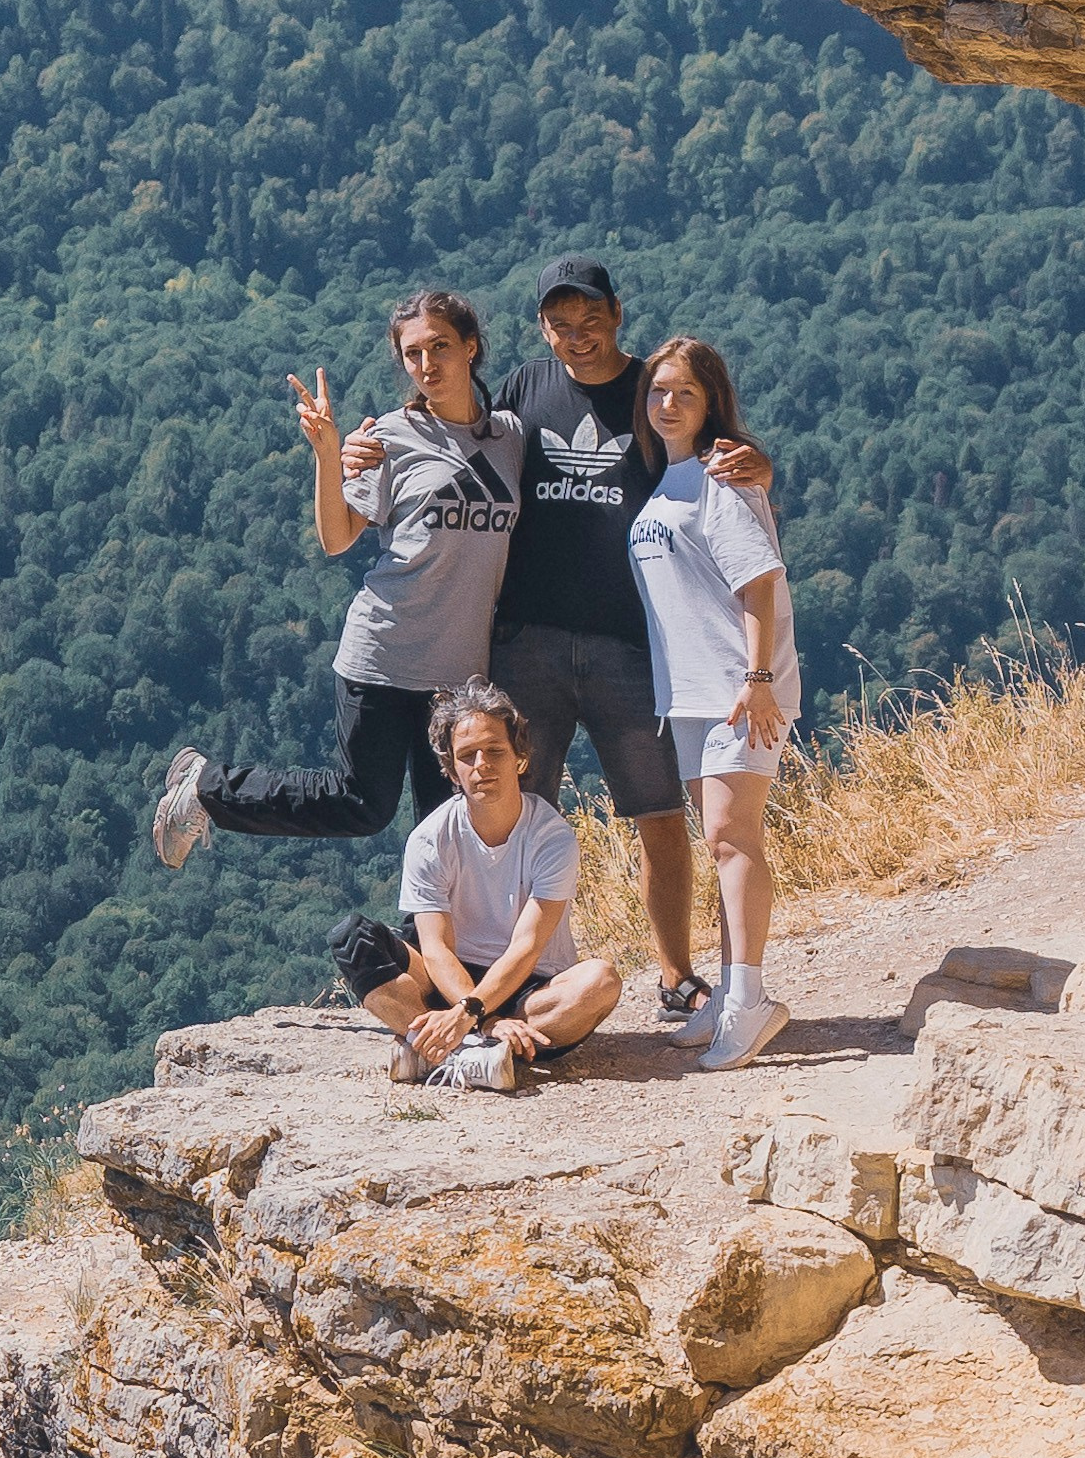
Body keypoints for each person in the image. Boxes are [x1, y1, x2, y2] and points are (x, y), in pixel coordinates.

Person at [353, 253, 768, 1029]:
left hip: (631, 645)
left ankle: (676, 976)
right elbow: (448, 423)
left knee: (654, 814)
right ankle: (489, 985)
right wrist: (362, 451)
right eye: (558, 324)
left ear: (617, 313)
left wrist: (758, 465)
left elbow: (714, 451)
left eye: (590, 321)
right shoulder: (522, 388)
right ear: (540, 326)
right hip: (526, 644)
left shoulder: (654, 389)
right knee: (505, 810)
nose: (575, 338)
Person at [150, 290, 523, 863]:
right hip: (382, 652)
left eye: (441, 347)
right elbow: (337, 537)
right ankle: (206, 788)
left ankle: (427, 949)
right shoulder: (390, 438)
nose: (427, 366)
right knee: (361, 804)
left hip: (457, 672)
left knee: (451, 824)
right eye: (413, 353)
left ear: (471, 348)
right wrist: (328, 452)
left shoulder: (510, 439)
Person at [626, 335, 799, 1073]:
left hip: (741, 690)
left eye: (685, 394)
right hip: (693, 695)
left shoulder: (722, 479)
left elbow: (757, 582)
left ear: (710, 403)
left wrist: (757, 679)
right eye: (659, 391)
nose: (668, 404)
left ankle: (750, 1000)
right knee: (720, 842)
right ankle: (732, 997)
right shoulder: (667, 481)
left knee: (733, 838)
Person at [327, 677, 621, 1092]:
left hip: (528, 985)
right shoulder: (431, 839)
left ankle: (436, 1046)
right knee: (353, 940)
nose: (482, 764)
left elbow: (528, 945)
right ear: (451, 769)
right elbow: (436, 948)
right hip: (451, 981)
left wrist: (474, 1010)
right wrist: (481, 1015)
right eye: (467, 755)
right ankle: (475, 1050)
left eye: (495, 750)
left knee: (600, 981)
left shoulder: (551, 837)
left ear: (520, 757)